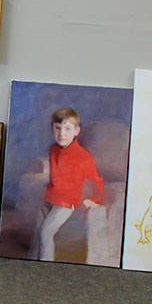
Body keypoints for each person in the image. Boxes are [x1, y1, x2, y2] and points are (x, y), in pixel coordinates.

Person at [29, 108, 104, 262]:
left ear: (77, 131)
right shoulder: (53, 150)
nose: (62, 134)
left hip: (66, 202)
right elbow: (56, 177)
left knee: (46, 232)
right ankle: (31, 262)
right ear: (52, 129)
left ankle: (44, 268)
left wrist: (95, 199)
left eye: (67, 129)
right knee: (38, 231)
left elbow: (96, 180)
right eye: (58, 128)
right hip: (50, 197)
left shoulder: (83, 156)